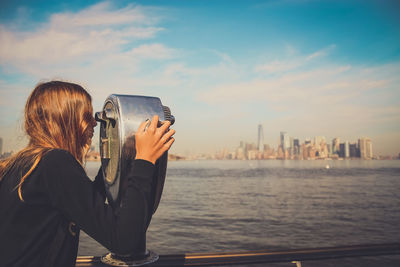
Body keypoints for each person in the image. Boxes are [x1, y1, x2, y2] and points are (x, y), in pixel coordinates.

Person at [0, 81, 175, 267]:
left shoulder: (23, 164)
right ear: (65, 118)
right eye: (86, 116)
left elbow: (85, 208)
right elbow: (125, 241)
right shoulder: (55, 162)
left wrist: (114, 157)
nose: (94, 123)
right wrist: (145, 160)